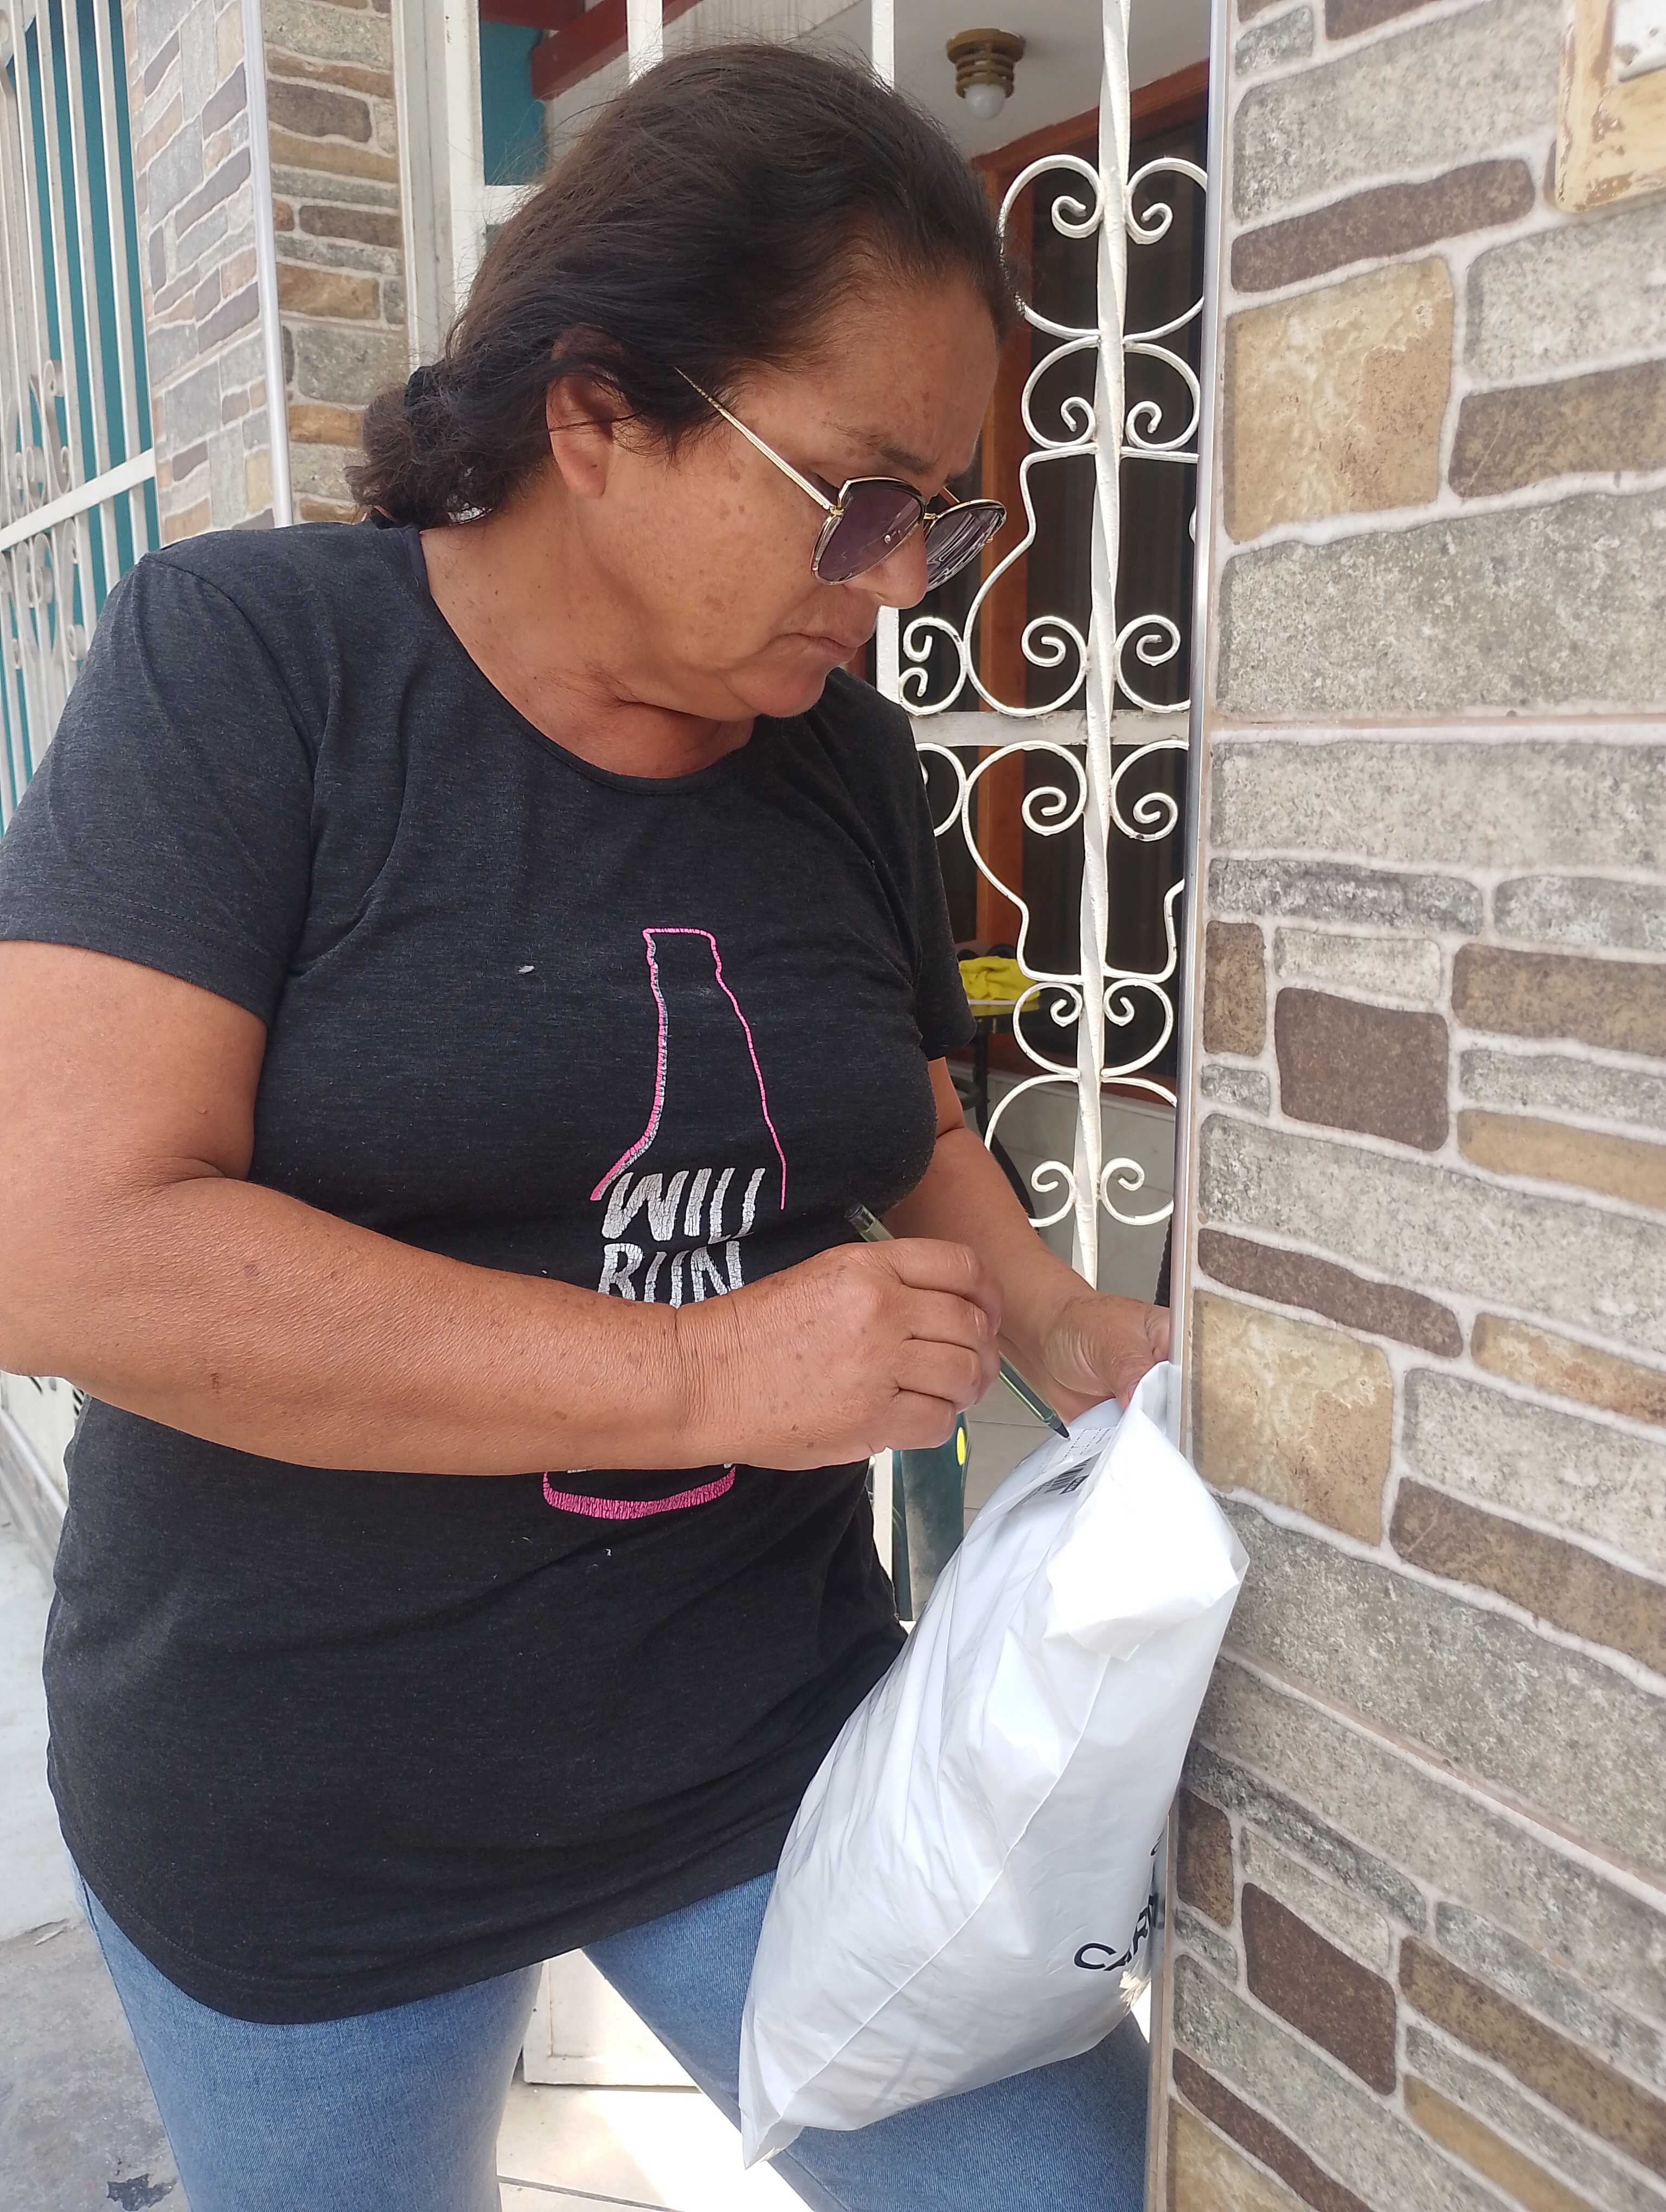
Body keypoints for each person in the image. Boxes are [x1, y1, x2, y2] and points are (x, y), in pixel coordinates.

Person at [0, 43, 1167, 2212]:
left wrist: (1058, 1318)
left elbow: (904, 1106)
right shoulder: (254, 669)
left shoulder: (839, 756)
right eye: (860, 496)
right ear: (600, 408)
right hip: (304, 1811)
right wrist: (702, 1372)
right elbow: (58, 1246)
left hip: (768, 1756)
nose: (905, 584)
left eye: (943, 516)